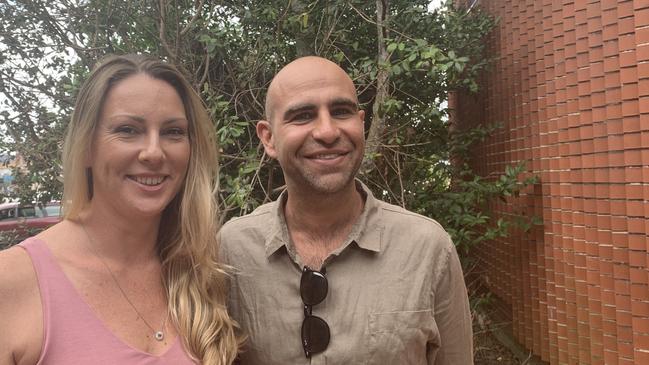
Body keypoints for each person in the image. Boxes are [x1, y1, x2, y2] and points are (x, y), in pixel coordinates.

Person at [219, 56, 473, 364]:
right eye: (302, 116)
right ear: (268, 137)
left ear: (361, 122)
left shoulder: (427, 248)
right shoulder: (230, 250)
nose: (327, 132)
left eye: (341, 112)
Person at [0, 54, 239, 365]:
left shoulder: (202, 272)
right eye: (128, 129)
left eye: (173, 132)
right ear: (86, 147)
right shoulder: (12, 281)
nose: (154, 152)